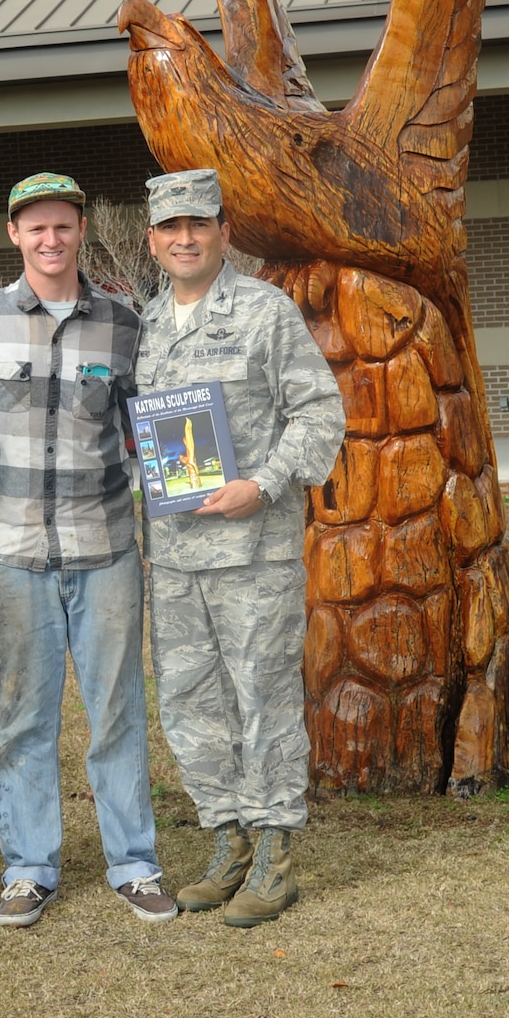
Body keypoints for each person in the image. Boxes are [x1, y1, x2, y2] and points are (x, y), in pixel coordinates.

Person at [0, 172, 177, 928]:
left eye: (62, 226)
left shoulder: (122, 322)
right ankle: (28, 865)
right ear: (13, 234)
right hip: (11, 552)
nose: (49, 240)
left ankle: (134, 861)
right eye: (34, 227)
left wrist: (191, 494)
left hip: (105, 546)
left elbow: (151, 429)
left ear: (81, 229)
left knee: (115, 708)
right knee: (21, 716)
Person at [136, 169, 345, 928]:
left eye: (198, 224)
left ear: (224, 231)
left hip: (253, 552)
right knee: (191, 705)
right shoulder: (150, 323)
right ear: (152, 239)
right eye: (169, 227)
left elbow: (319, 412)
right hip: (176, 556)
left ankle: (274, 855)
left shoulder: (264, 312)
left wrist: (264, 481)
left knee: (263, 702)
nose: (183, 238)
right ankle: (224, 842)